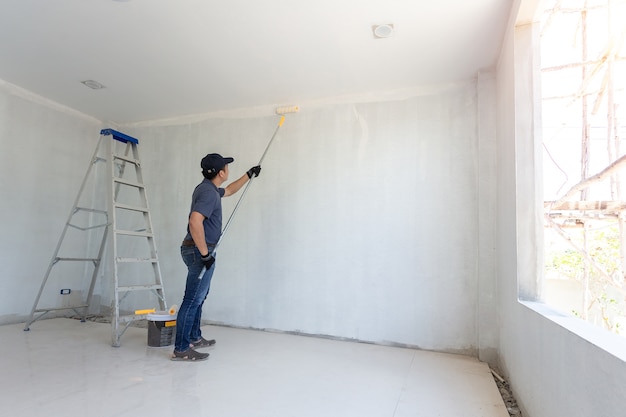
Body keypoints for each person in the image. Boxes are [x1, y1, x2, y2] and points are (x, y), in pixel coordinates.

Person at [171, 153, 261, 361]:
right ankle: (182, 349)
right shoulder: (208, 193)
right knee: (192, 300)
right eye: (227, 167)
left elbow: (228, 191)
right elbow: (195, 221)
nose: (228, 170)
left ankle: (194, 336)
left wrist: (248, 175)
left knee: (199, 298)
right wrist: (204, 254)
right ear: (221, 173)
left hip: (197, 249)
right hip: (199, 251)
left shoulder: (207, 188)